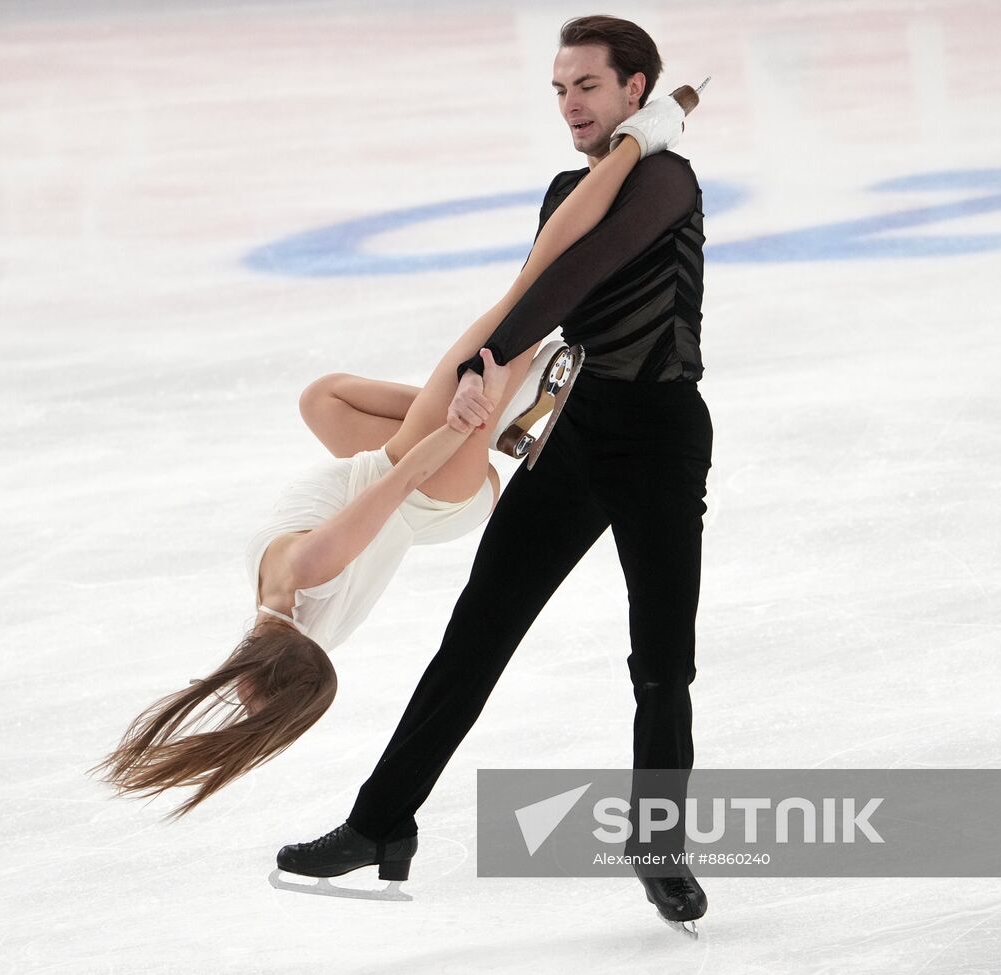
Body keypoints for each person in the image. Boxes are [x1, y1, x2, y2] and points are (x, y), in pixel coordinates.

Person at [89, 87, 692, 821]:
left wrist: (453, 412)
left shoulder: (305, 630)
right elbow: (401, 479)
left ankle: (515, 401)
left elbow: (376, 480)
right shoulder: (297, 576)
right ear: (249, 671)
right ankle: (639, 140)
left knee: (324, 399)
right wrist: (464, 414)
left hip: (417, 494)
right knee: (529, 293)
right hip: (424, 485)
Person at [277, 15, 714, 936]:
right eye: (559, 90)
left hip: (661, 435)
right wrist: (491, 376)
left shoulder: (667, 181)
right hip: (580, 427)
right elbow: (543, 284)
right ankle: (379, 823)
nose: (570, 105)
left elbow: (592, 262)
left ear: (637, 90)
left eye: (587, 87)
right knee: (475, 636)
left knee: (661, 659)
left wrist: (491, 356)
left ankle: (658, 842)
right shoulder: (570, 187)